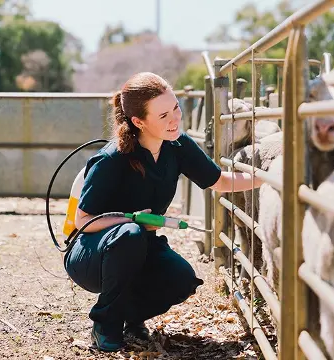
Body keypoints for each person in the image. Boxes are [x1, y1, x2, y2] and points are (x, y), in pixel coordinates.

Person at [63, 72, 263, 352]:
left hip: (139, 244)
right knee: (129, 235)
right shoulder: (112, 159)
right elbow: (82, 222)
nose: (175, 119)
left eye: (176, 108)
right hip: (91, 253)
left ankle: (131, 318)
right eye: (163, 116)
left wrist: (269, 177)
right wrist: (132, 218)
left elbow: (221, 181)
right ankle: (105, 324)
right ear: (138, 122)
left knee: (180, 279)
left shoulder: (177, 146)